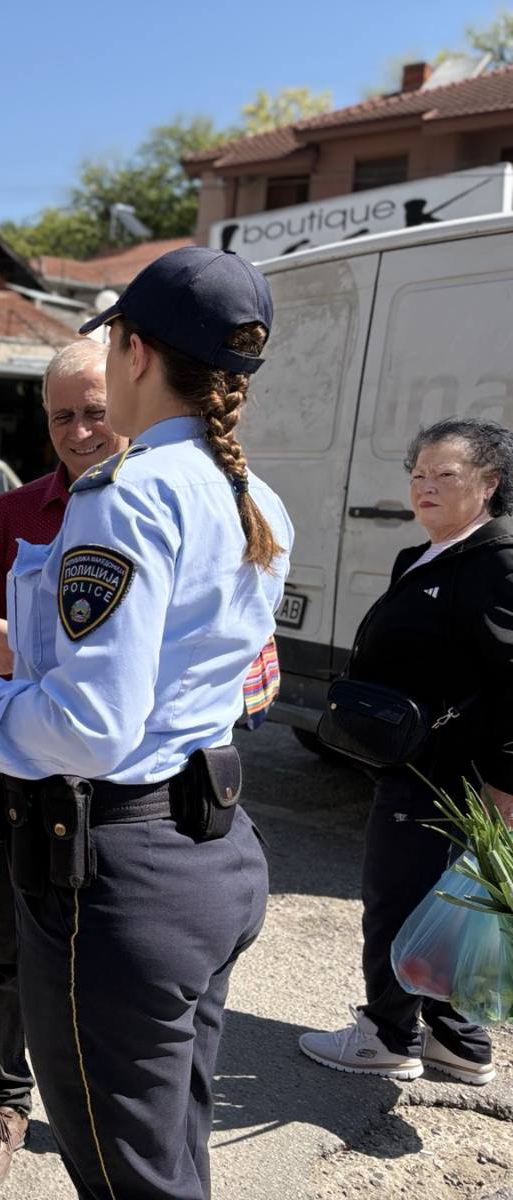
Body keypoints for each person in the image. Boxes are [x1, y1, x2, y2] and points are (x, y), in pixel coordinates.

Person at [0, 246, 293, 1200]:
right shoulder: (250, 493)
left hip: (119, 879)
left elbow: (89, 729)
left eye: (112, 343)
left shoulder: (126, 494)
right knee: (169, 1154)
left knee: (127, 1178)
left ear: (135, 351)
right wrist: (20, 646)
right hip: (211, 853)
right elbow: (174, 666)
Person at [0, 338, 125, 1192]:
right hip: (16, 776)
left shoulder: (160, 511)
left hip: (122, 786)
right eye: (62, 416)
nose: (80, 431)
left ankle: (106, 1107)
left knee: (116, 954)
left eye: (96, 411)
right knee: (2, 945)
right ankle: (4, 1102)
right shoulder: (8, 517)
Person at [298, 417, 513, 1086]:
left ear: (489, 484)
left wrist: (506, 782)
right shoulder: (425, 553)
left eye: (445, 474)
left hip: (449, 774)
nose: (425, 486)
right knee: (443, 905)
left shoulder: (498, 562)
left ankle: (387, 1037)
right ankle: (458, 1040)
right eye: (418, 474)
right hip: (417, 761)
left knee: (398, 900)